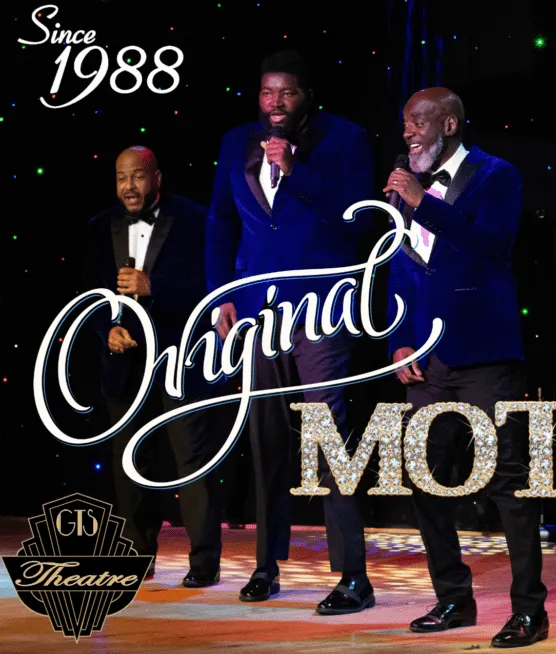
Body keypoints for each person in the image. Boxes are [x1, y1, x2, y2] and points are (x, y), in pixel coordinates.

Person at [206, 49, 377, 613]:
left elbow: (358, 216)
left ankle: (353, 576)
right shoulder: (236, 141)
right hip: (258, 313)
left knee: (329, 437)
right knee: (267, 441)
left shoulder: (345, 139)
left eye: (287, 92)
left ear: (307, 95)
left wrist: (296, 171)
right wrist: (222, 297)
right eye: (266, 92)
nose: (275, 103)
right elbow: (221, 224)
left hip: (321, 311)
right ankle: (265, 566)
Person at [384, 87, 549, 648]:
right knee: (425, 479)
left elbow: (492, 246)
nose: (407, 133)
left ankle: (529, 611)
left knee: (508, 482)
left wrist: (423, 202)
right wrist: (400, 342)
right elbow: (401, 269)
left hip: (485, 357)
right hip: (427, 361)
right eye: (404, 124)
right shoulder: (405, 189)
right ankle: (453, 598)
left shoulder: (496, 175)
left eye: (417, 122)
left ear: (449, 124)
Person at [84, 146, 222, 588]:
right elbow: (86, 295)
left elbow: (212, 285)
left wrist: (154, 286)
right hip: (124, 363)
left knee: (191, 458)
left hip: (178, 358)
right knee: (128, 461)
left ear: (157, 178)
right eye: (121, 177)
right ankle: (137, 558)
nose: (129, 186)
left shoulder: (195, 219)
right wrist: (106, 330)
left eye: (138, 176)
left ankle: (204, 563)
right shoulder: (98, 227)